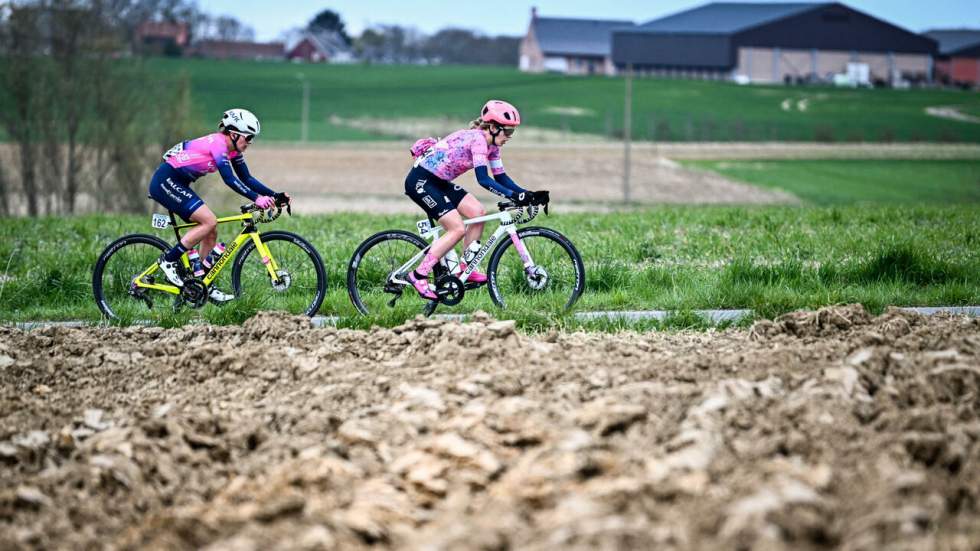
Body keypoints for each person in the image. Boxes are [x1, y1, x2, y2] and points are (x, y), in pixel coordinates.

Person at [404, 99, 549, 299]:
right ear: (493, 127)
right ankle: (419, 275)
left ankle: (465, 268)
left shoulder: (493, 146)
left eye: (512, 132)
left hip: (438, 181)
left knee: (478, 213)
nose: (509, 137)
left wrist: (527, 194)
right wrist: (514, 196)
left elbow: (501, 177)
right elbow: (483, 179)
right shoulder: (478, 140)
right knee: (457, 228)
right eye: (508, 131)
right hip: (421, 181)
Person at [148, 108, 287, 302]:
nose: (250, 143)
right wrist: (257, 199)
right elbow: (230, 179)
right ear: (234, 133)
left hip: (179, 183)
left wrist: (274, 195)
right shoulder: (218, 144)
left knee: (211, 231)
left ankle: (202, 282)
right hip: (166, 181)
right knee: (209, 221)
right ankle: (169, 261)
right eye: (248, 138)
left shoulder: (232, 151)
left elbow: (246, 178)